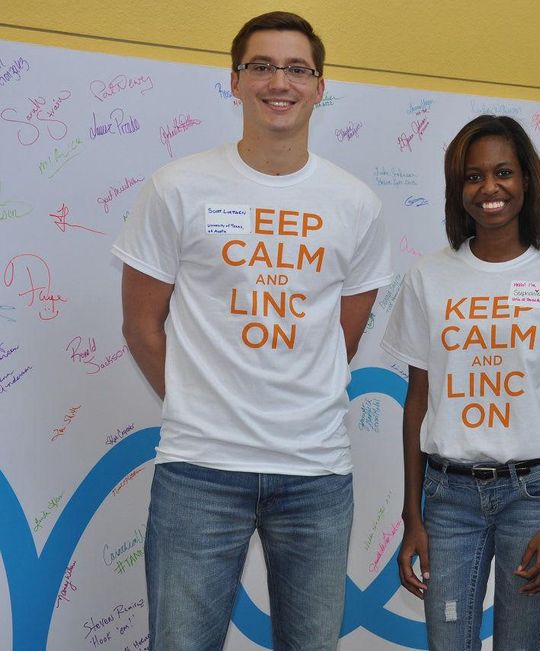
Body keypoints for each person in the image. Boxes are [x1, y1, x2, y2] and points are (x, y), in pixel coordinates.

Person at [112, 12, 392, 650]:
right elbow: (139, 324)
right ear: (234, 81)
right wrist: (198, 403)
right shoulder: (177, 188)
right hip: (200, 471)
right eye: (261, 66)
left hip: (316, 473)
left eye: (297, 69)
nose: (279, 82)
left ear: (320, 87)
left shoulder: (354, 204)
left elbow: (342, 337)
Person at [381, 115, 540, 651]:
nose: (489, 188)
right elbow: (417, 402)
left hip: (533, 495)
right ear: (456, 188)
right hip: (448, 497)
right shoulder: (428, 277)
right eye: (473, 176)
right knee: (448, 639)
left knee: (518, 641)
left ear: (529, 179)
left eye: (504, 172)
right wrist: (411, 514)